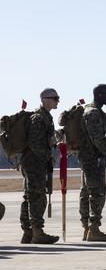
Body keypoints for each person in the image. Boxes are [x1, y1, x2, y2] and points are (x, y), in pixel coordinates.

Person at [20, 88, 60, 245]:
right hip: (34, 163)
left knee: (30, 196)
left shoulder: (45, 117)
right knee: (37, 197)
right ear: (44, 99)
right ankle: (37, 232)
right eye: (54, 98)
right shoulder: (38, 118)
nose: (57, 101)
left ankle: (28, 233)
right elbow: (35, 143)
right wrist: (47, 156)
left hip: (34, 162)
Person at [80, 84, 106, 241]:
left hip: (90, 158)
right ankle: (93, 229)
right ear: (99, 95)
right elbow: (96, 137)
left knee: (88, 192)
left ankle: (88, 229)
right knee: (97, 193)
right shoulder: (93, 113)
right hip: (93, 159)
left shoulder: (91, 110)